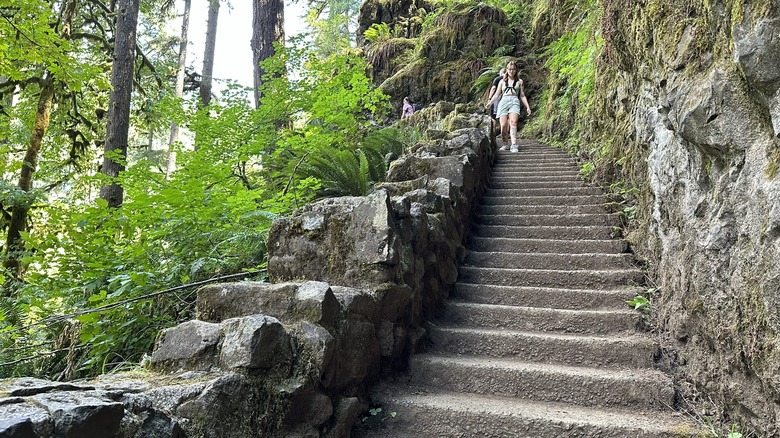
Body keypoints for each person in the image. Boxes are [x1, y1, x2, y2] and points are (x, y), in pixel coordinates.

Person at [485, 61, 531, 153]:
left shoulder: (519, 81)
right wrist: (490, 102)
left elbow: (522, 95)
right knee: (503, 125)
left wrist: (527, 107)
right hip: (503, 102)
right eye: (510, 69)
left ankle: (514, 144)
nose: (511, 71)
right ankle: (505, 144)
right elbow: (497, 94)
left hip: (514, 101)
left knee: (513, 122)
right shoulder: (502, 81)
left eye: (513, 69)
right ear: (507, 70)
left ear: (516, 70)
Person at [486, 68, 506, 138]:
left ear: (500, 73)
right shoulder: (509, 79)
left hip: (497, 98)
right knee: (505, 116)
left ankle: (493, 134)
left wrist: (490, 98)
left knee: (493, 116)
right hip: (506, 98)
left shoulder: (497, 79)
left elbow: (493, 88)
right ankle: (505, 133)